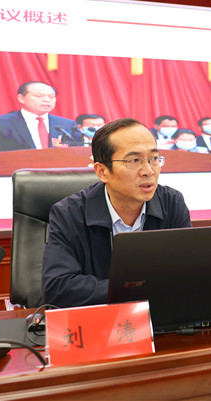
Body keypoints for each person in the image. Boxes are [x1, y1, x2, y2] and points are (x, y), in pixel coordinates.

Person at [42, 117, 192, 307]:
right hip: (98, 319)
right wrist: (140, 289)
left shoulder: (171, 202)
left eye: (154, 159)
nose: (149, 171)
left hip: (158, 317)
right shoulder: (69, 214)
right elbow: (58, 288)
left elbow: (188, 273)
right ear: (102, 172)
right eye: (134, 160)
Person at [0, 81, 82, 154]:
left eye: (51, 97)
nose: (47, 100)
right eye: (39, 96)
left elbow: (78, 152)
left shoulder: (67, 125)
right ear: (21, 98)